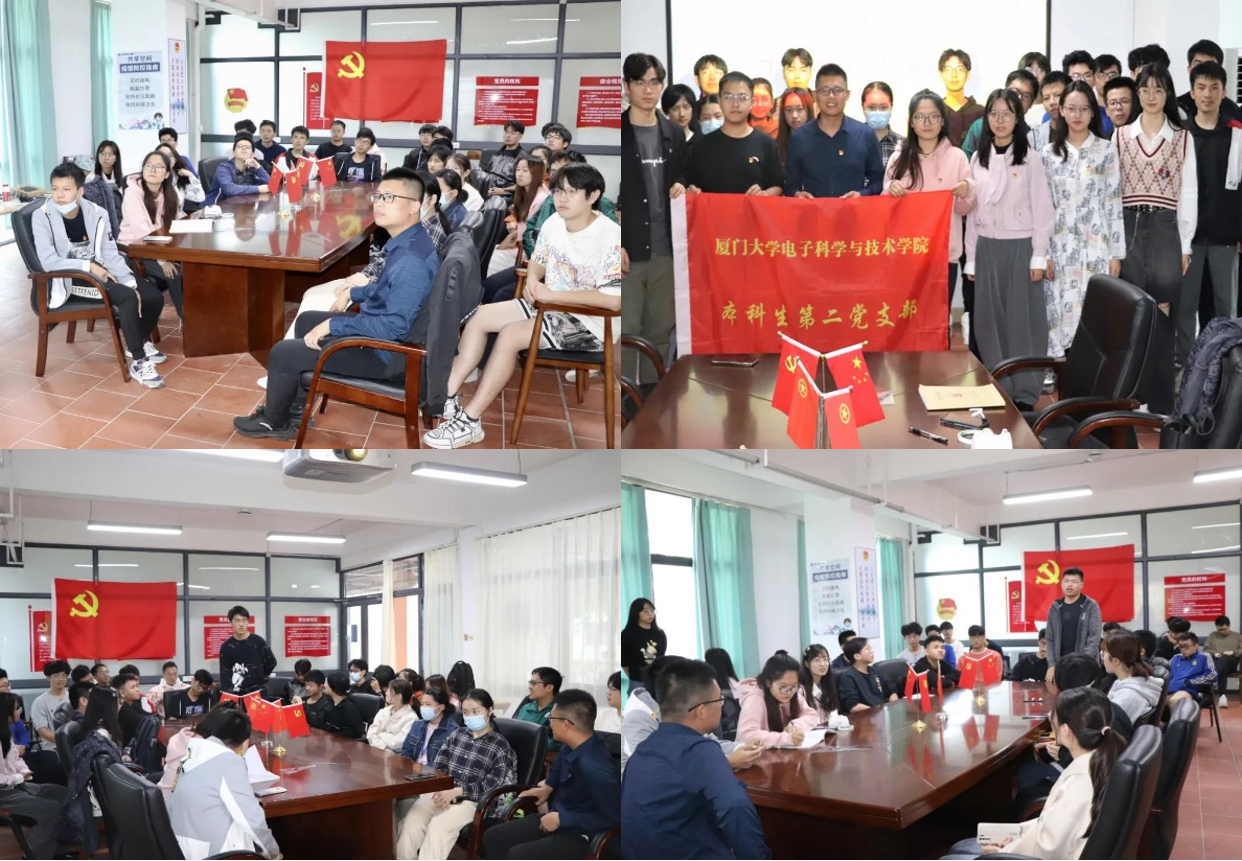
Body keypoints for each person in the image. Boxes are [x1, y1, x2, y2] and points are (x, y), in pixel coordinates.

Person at [423, 162, 620, 448]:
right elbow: (538, 259)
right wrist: (533, 280)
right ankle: (447, 395)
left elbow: (613, 300)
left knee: (511, 335)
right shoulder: (555, 222)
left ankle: (471, 421)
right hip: (549, 305)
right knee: (479, 317)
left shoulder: (610, 236)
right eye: (558, 191)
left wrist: (553, 296)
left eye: (572, 192)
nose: (562, 198)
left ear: (593, 196)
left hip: (590, 323)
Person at [234, 167, 440, 439]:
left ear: (414, 206)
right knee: (306, 320)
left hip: (387, 355)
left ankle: (274, 422)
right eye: (378, 196)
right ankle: (295, 411)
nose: (379, 203)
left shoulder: (411, 261)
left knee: (283, 353)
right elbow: (387, 290)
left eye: (389, 198)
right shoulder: (408, 242)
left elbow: (393, 327)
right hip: (381, 335)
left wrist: (335, 325)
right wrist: (354, 294)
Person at [942, 687, 1127, 860]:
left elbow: (1047, 848)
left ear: (1064, 731)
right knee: (962, 846)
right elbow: (1051, 827)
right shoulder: (1098, 761)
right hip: (1047, 844)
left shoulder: (1080, 783)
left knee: (950, 856)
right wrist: (1016, 833)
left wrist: (1003, 851)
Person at [620, 659, 771, 860]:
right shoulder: (699, 750)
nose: (721, 707)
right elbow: (736, 810)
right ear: (702, 711)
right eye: (719, 701)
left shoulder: (643, 750)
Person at [34, 162, 167, 388]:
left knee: (153, 297)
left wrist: (128, 280)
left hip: (102, 271)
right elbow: (48, 262)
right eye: (55, 189)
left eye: (66, 189)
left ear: (80, 191)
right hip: (71, 279)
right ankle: (138, 360)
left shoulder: (97, 214)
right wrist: (89, 267)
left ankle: (137, 341)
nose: (59, 195)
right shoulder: (42, 216)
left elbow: (110, 253)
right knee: (127, 298)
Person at [966, 88, 1054, 411]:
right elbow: (973, 213)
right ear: (986, 118)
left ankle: (1026, 395)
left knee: (1023, 322)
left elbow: (1043, 210)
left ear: (1018, 118)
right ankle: (999, 388)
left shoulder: (1030, 158)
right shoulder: (978, 158)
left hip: (1020, 249)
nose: (1000, 120)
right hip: (987, 249)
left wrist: (1038, 255)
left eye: (1007, 114)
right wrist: (971, 259)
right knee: (989, 324)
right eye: (994, 114)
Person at [1116, 62, 1196, 412]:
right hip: (1129, 225)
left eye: (1158, 89)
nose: (1151, 96)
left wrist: (1185, 244)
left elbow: (1189, 193)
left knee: (1163, 312)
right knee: (1133, 311)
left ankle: (1160, 399)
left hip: (1166, 227)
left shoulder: (1181, 137)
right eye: (1145, 89)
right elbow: (1112, 193)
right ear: (1137, 93)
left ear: (1168, 94)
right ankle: (1130, 394)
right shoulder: (1121, 136)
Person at [1040, 80, 1124, 360]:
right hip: (1059, 245)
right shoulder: (1048, 154)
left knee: (1095, 308)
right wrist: (1043, 254)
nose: (1077, 115)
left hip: (1096, 245)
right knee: (1058, 308)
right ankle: (1057, 368)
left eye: (1084, 109)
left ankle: (1094, 371)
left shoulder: (1106, 150)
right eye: (1071, 108)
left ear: (1092, 112)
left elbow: (1113, 202)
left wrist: (1115, 254)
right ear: (1061, 110)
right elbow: (1043, 207)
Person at [484, 688, 619, 860]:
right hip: (559, 818)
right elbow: (559, 768)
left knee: (518, 855)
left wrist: (563, 819)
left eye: (551, 719)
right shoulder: (574, 743)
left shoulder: (595, 769)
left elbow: (613, 818)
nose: (549, 724)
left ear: (566, 724)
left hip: (582, 835)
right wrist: (547, 788)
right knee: (494, 837)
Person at [884, 89, 977, 335]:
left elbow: (964, 209)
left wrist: (967, 190)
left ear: (942, 121)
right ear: (911, 122)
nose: (927, 123)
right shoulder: (898, 159)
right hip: (907, 255)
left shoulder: (957, 157)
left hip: (943, 257)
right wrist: (889, 189)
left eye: (933, 116)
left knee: (936, 326)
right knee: (904, 324)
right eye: (920, 117)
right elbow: (885, 212)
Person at [621, 53, 687, 389]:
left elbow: (683, 177)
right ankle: (623, 402)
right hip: (628, 251)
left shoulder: (674, 133)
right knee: (626, 329)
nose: (648, 90)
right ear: (626, 86)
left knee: (659, 331)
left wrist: (683, 185)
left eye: (655, 82)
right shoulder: (619, 131)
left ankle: (651, 400)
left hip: (666, 249)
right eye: (639, 82)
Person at [395, 688, 517, 860]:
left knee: (438, 827)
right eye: (466, 712)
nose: (470, 716)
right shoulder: (457, 734)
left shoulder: (499, 746)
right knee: (411, 824)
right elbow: (439, 766)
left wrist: (458, 792)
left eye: (476, 712)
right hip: (442, 792)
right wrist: (444, 789)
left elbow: (492, 785)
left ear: (490, 711)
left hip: (471, 801)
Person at [1177, 60, 1240, 367]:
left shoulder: (1235, 134)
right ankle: (1187, 368)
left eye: (1214, 88)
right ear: (1192, 93)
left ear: (1223, 92)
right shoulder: (1182, 134)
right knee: (1185, 307)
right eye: (1201, 88)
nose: (1207, 94)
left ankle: (1225, 369)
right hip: (1187, 238)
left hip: (1225, 235)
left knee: (1225, 307)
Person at [168, 705, 280, 859]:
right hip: (216, 854)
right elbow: (251, 819)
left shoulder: (190, 755)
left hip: (178, 848)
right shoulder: (229, 762)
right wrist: (273, 853)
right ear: (245, 743)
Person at [784, 63, 883, 199]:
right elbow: (790, 185)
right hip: (813, 212)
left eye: (838, 90)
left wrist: (862, 194)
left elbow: (878, 181)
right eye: (824, 90)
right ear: (815, 95)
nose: (831, 96)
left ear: (847, 94)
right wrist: (797, 194)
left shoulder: (865, 135)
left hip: (853, 211)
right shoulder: (799, 137)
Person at [687, 70, 783, 196]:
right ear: (720, 101)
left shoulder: (766, 144)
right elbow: (690, 184)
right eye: (728, 97)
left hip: (753, 209)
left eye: (742, 97)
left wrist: (764, 194)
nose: (735, 104)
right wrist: (692, 190)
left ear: (751, 103)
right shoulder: (701, 145)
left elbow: (778, 186)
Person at [120, 149, 186, 323]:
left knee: (196, 269)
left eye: (158, 167)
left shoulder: (169, 194)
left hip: (159, 248)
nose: (152, 170)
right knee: (176, 274)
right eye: (148, 166)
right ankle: (187, 319)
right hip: (134, 251)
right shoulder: (133, 194)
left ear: (166, 174)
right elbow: (142, 232)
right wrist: (163, 261)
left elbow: (174, 225)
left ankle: (200, 314)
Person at [54, 686, 124, 848]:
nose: (120, 705)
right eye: (118, 702)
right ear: (109, 706)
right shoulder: (102, 735)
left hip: (97, 794)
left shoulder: (91, 729)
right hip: (104, 798)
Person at [0, 692, 67, 860]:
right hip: (4, 794)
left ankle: (55, 847)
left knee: (65, 794)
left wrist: (24, 771)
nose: (20, 711)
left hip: (18, 786)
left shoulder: (5, 735)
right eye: (17, 708)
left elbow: (16, 758)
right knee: (51, 809)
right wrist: (19, 777)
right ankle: (33, 855)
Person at [736, 651, 820, 748]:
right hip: (755, 754)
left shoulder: (794, 693)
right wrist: (784, 739)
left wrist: (795, 725)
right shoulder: (755, 699)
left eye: (794, 686)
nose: (789, 692)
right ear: (768, 683)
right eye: (783, 687)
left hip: (781, 753)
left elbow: (812, 715)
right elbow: (746, 734)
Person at [1042, 567, 1105, 684]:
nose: (1069, 584)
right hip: (1061, 665)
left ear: (1082, 585)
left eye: (1074, 581)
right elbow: (1050, 638)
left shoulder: (1090, 605)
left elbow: (1094, 637)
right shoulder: (1055, 607)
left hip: (1085, 665)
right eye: (1066, 581)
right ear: (1061, 584)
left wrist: (1081, 662)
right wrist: (1052, 664)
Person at [962, 70, 1038, 161]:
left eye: (1026, 96)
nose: (1018, 98)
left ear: (1031, 103)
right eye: (1014, 92)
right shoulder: (979, 127)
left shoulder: (1030, 135)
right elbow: (965, 163)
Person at [1102, 628, 1163, 723]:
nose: (1102, 659)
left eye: (1103, 654)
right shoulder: (1136, 682)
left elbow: (1107, 727)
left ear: (1115, 661)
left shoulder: (1127, 697)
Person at [1177, 39, 1242, 121]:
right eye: (1198, 64)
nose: (1204, 70)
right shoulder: (1176, 107)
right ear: (1189, 68)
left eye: (1211, 64)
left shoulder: (1232, 111)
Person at [217, 605, 277, 695]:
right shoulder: (227, 647)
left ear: (248, 622)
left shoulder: (258, 642)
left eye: (244, 620)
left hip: (258, 692)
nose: (241, 624)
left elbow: (271, 663)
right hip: (237, 693)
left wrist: (259, 675)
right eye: (237, 620)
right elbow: (225, 675)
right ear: (231, 622)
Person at [400, 685, 460, 770]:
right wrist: (409, 767)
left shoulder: (453, 730)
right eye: (422, 704)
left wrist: (423, 769)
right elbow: (405, 751)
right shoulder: (417, 725)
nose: (424, 708)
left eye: (428, 704)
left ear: (441, 707)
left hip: (435, 773)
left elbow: (446, 761)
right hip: (413, 770)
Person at [939, 49, 985, 147]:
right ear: (941, 75)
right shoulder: (935, 112)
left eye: (959, 69)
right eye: (948, 69)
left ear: (967, 75)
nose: (954, 75)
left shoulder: (981, 112)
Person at [837, 638, 897, 712]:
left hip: (882, 713)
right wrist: (876, 712)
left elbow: (891, 691)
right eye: (867, 649)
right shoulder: (848, 677)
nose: (871, 651)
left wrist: (894, 707)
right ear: (857, 656)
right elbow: (853, 706)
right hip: (867, 716)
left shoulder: (874, 670)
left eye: (871, 648)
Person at [1062, 50, 1113, 136]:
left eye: (1088, 75)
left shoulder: (1106, 115)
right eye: (1076, 76)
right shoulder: (1055, 115)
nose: (1082, 80)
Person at [28, 661, 69, 761]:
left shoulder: (73, 698)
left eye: (63, 675)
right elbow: (42, 731)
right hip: (52, 747)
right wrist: (64, 741)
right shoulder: (40, 702)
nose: (61, 679)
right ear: (48, 677)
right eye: (56, 676)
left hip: (76, 744)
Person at [83, 140, 124, 239]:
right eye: (103, 154)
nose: (106, 158)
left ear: (116, 157)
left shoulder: (122, 176)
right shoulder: (91, 178)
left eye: (110, 154)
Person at [515, 666, 562, 750]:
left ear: (549, 688)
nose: (530, 687)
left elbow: (558, 744)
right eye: (530, 683)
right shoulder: (525, 708)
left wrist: (530, 741)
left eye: (533, 683)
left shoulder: (560, 711)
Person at [620, 597, 666, 681]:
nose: (650, 614)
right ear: (636, 613)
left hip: (657, 680)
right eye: (645, 611)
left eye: (652, 610)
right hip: (637, 680)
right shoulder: (627, 634)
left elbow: (662, 658)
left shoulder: (660, 633)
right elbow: (624, 661)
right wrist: (633, 678)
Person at [862, 81, 904, 172]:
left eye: (883, 107)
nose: (878, 112)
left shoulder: (904, 145)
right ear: (863, 108)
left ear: (891, 107)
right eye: (871, 107)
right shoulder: (852, 141)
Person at [307, 671, 364, 739]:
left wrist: (337, 734)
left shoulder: (348, 708)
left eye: (327, 682)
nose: (324, 685)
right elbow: (321, 723)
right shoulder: (329, 703)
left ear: (333, 687)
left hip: (343, 742)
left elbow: (357, 732)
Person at [480, 121, 527, 199]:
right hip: (488, 192)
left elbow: (525, 183)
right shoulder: (496, 154)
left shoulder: (523, 157)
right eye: (506, 132)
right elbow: (486, 173)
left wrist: (504, 190)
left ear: (520, 136)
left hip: (507, 196)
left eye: (512, 133)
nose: (508, 136)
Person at [367, 678, 416, 753]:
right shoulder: (384, 711)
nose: (386, 693)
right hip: (378, 751)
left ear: (399, 696)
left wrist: (381, 734)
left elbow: (396, 743)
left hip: (398, 756)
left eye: (389, 690)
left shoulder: (411, 718)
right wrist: (384, 748)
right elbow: (371, 734)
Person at [1168, 632, 1218, 704]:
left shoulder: (1204, 657)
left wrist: (1191, 682)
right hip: (1168, 691)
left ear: (1196, 646)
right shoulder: (1175, 658)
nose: (1183, 649)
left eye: (1186, 646)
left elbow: (1212, 675)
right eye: (1181, 647)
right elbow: (1166, 674)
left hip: (1187, 691)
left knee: (1175, 700)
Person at [155, 142, 206, 213]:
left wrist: (191, 176)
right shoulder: (150, 179)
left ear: (175, 160)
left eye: (169, 156)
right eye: (162, 155)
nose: (166, 159)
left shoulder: (178, 178)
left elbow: (199, 198)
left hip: (177, 217)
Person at [1205, 615, 1242, 708]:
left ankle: (1211, 677)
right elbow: (1206, 650)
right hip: (1218, 661)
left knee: (1224, 658)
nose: (1222, 632)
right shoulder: (1213, 635)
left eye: (1224, 629)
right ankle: (1222, 696)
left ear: (1229, 626)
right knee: (1223, 666)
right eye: (1219, 630)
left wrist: (1233, 652)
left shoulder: (1237, 636)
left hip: (1232, 662)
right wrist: (1214, 653)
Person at [1030, 72, 1069, 152]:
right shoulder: (1034, 136)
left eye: (1058, 95)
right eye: (1046, 98)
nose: (1052, 102)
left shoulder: (1083, 131)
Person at [798, 644, 837, 722]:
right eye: (817, 660)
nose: (823, 664)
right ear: (807, 664)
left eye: (825, 659)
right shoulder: (801, 689)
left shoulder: (828, 684)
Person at [776, 87, 813, 165]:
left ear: (808, 110)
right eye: (789, 110)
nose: (794, 115)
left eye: (800, 109)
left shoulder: (819, 142)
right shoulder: (775, 146)